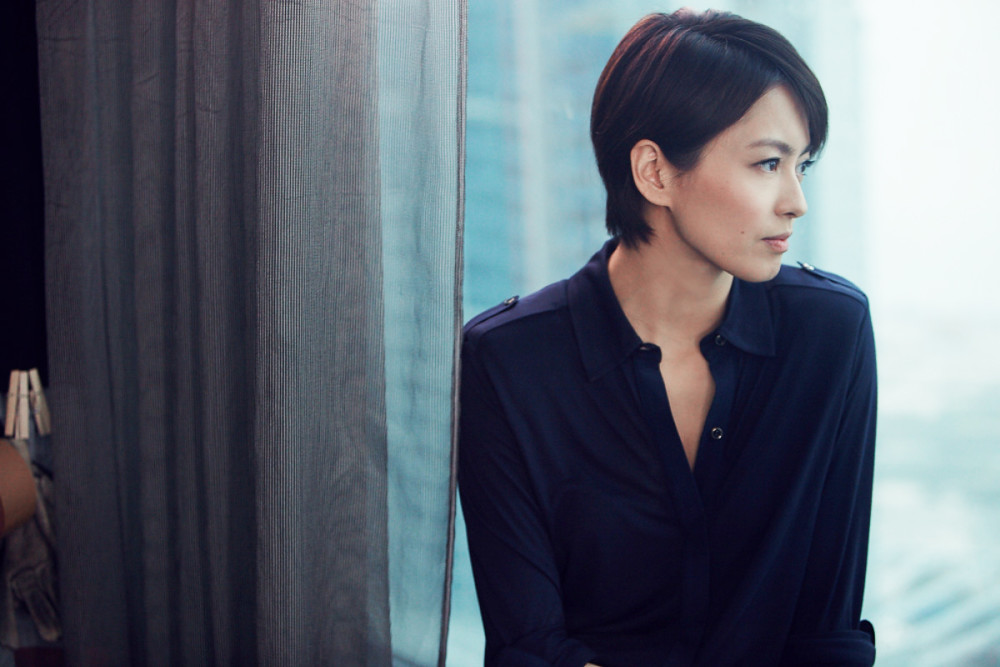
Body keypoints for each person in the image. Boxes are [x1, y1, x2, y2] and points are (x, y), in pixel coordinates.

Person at [458, 8, 877, 667]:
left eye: (802, 165)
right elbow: (531, 647)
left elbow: (827, 630)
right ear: (654, 172)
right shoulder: (508, 361)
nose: (796, 201)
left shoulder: (830, 332)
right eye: (768, 163)